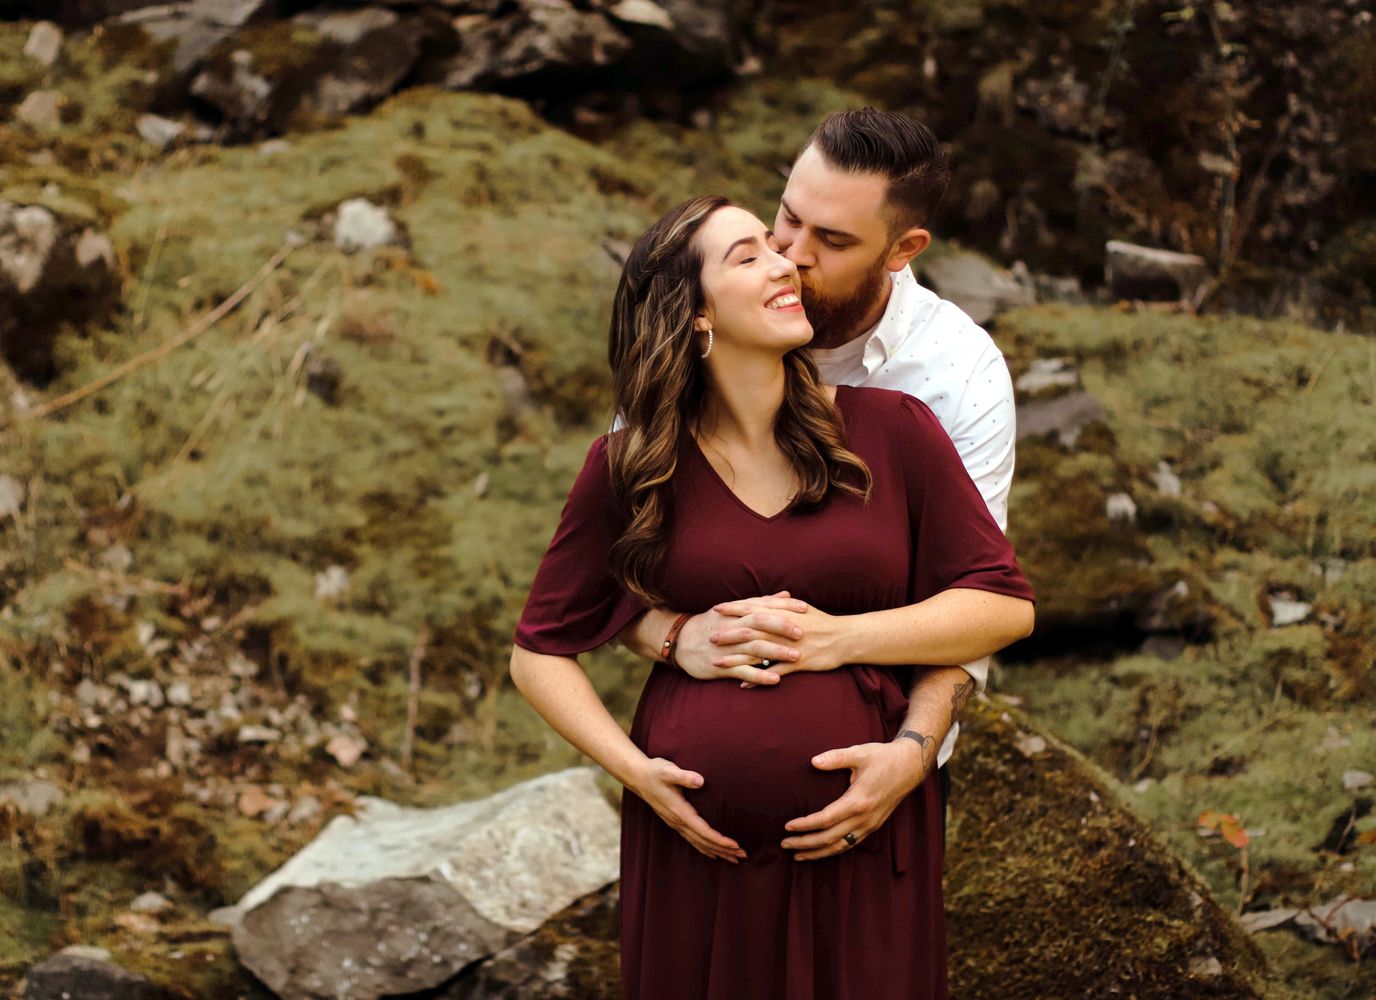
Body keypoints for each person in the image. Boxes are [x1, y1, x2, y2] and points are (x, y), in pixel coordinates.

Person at [510, 194, 1034, 999]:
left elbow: (1001, 605)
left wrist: (847, 655)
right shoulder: (630, 467)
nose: (786, 263)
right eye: (747, 256)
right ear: (694, 316)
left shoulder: (894, 432)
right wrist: (638, 772)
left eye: (774, 246)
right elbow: (541, 648)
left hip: (861, 842)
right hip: (695, 856)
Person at [617, 108, 1015, 857]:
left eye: (831, 241)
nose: (791, 256)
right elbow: (612, 567)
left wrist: (912, 748)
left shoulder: (955, 376)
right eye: (787, 218)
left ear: (904, 250)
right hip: (694, 797)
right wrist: (671, 637)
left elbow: (979, 601)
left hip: (886, 775)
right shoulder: (700, 321)